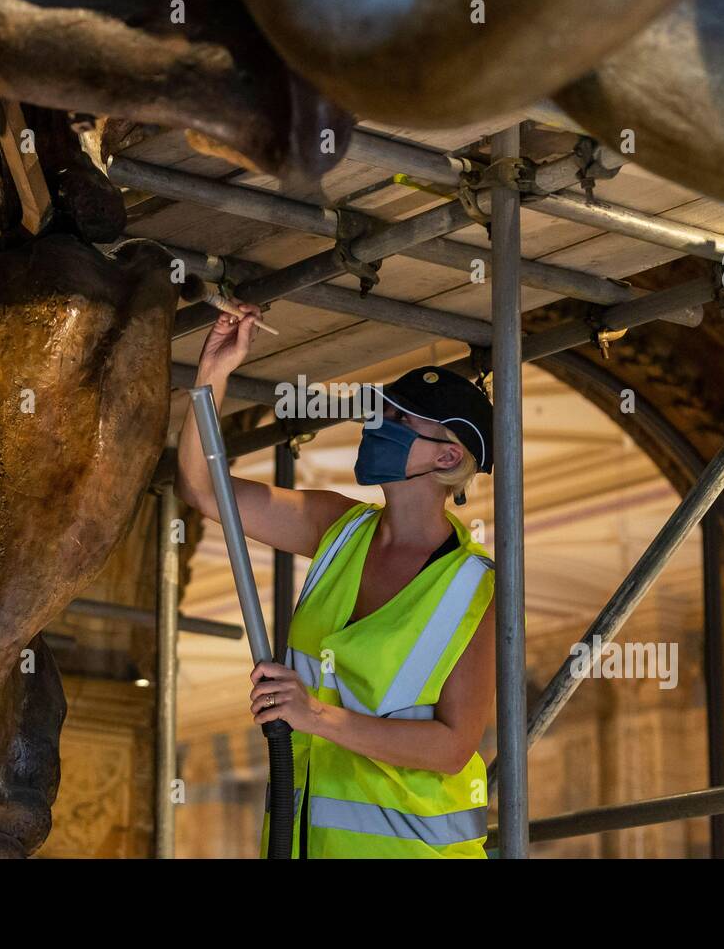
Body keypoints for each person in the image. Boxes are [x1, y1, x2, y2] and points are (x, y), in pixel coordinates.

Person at [176, 301, 497, 859]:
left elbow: (451, 748)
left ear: (448, 455)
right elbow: (206, 492)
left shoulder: (477, 589)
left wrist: (315, 715)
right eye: (382, 413)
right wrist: (211, 375)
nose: (379, 426)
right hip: (302, 843)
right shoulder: (337, 528)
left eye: (401, 420)